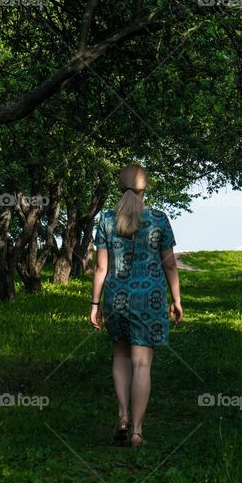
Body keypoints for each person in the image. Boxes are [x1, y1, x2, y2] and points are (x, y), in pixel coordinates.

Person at [90, 164, 183, 447]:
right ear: (146, 189)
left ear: (121, 187)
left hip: (116, 298)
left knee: (120, 357)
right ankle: (137, 431)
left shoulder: (106, 220)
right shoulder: (158, 219)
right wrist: (176, 299)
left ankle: (122, 415)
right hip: (150, 300)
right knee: (142, 363)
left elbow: (100, 268)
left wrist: (95, 304)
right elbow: (169, 264)